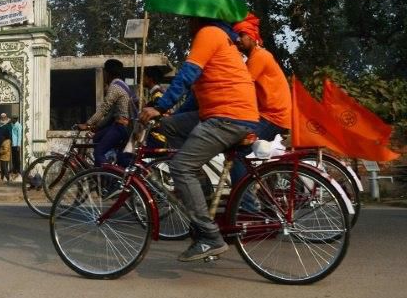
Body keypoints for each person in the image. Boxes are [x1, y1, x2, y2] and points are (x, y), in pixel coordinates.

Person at [140, 17, 259, 262]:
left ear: (200, 17)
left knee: (180, 167)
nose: (187, 23)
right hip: (222, 114)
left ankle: (210, 237)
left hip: (228, 117)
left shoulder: (209, 33)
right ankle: (198, 187)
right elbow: (195, 95)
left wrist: (160, 106)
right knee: (170, 126)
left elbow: (187, 75)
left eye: (189, 18)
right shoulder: (222, 38)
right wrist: (168, 115)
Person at [231, 13, 291, 183]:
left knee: (237, 151)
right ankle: (259, 187)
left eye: (242, 35)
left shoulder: (259, 57)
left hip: (273, 116)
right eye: (236, 36)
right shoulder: (254, 57)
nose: (237, 40)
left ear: (252, 36)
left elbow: (241, 87)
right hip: (269, 115)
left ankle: (244, 197)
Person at [77, 59, 137, 167]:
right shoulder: (124, 86)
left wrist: (87, 124)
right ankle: (100, 172)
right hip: (126, 127)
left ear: (107, 73)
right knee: (97, 138)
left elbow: (104, 108)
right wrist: (97, 127)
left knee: (98, 153)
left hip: (121, 127)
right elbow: (111, 114)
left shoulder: (114, 87)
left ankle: (105, 174)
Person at [0, 113, 12, 178]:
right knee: (0, 163)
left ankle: (7, 177)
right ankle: (1, 176)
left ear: (6, 117)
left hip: (5, 146)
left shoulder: (8, 125)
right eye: (2, 117)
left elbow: (9, 134)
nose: (3, 118)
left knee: (4, 165)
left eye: (4, 117)